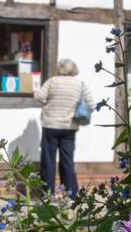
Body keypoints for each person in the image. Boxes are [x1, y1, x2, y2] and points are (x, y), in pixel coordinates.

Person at [33, 58, 94, 197]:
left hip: (50, 126)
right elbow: (91, 104)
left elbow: (39, 96)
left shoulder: (52, 81)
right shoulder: (80, 85)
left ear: (59, 68)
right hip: (69, 127)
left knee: (48, 161)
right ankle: (70, 195)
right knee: (67, 161)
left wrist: (46, 103)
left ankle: (47, 195)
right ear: (74, 69)